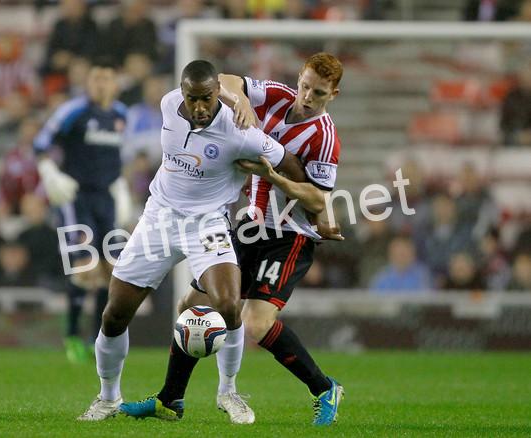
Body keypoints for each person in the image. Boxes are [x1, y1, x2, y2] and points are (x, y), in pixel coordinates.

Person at [78, 60, 305, 422]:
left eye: (206, 98)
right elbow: (209, 90)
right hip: (159, 218)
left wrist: (300, 192)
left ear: (217, 94)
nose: (199, 106)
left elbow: (290, 163)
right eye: (192, 98)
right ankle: (108, 398)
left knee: (228, 305)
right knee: (115, 313)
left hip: (207, 224)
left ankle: (228, 393)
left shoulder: (241, 132)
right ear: (181, 93)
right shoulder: (169, 104)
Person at [174, 52, 346, 426]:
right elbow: (225, 80)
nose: (307, 97)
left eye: (318, 92)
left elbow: (318, 199)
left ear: (332, 94)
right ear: (299, 78)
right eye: (305, 86)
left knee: (256, 322)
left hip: (289, 235)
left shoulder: (325, 138)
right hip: (250, 227)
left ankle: (324, 389)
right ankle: (170, 399)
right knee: (191, 304)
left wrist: (273, 176)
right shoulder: (276, 95)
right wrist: (240, 101)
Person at [33, 61, 132, 363]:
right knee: (85, 267)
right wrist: (49, 171)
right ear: (88, 83)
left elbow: (115, 156)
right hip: (76, 197)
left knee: (110, 270)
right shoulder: (72, 111)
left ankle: (96, 339)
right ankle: (73, 336)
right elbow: (41, 143)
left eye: (107, 78)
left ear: (115, 84)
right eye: (96, 78)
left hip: (106, 197)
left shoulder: (120, 114)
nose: (101, 83)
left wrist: (120, 186)